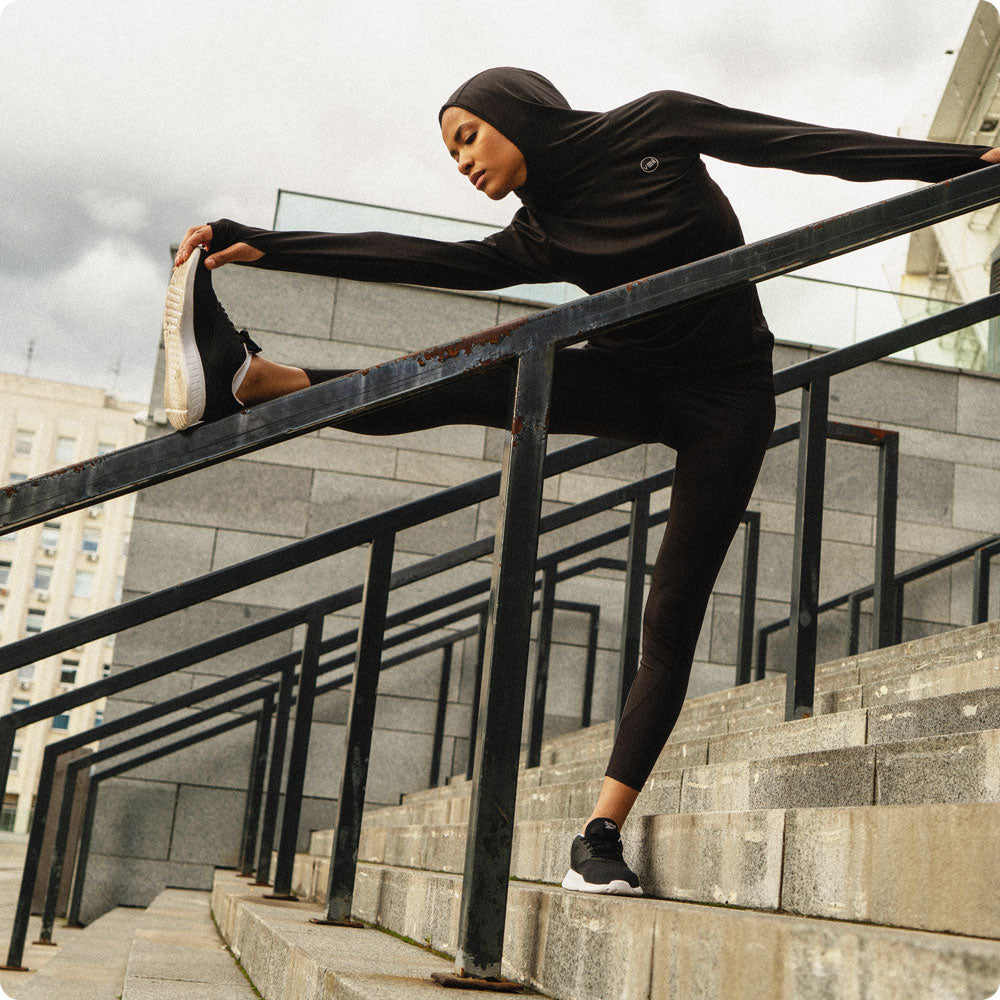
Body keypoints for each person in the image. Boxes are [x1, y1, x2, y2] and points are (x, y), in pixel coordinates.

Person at [163, 68, 999, 896]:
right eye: (451, 152)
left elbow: (805, 148)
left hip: (728, 399)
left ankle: (600, 835)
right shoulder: (540, 233)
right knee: (481, 376)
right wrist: (272, 245)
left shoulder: (657, 126)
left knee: (669, 614)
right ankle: (258, 381)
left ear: (515, 116)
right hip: (633, 375)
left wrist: (970, 165)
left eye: (467, 138)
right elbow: (428, 256)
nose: (462, 162)